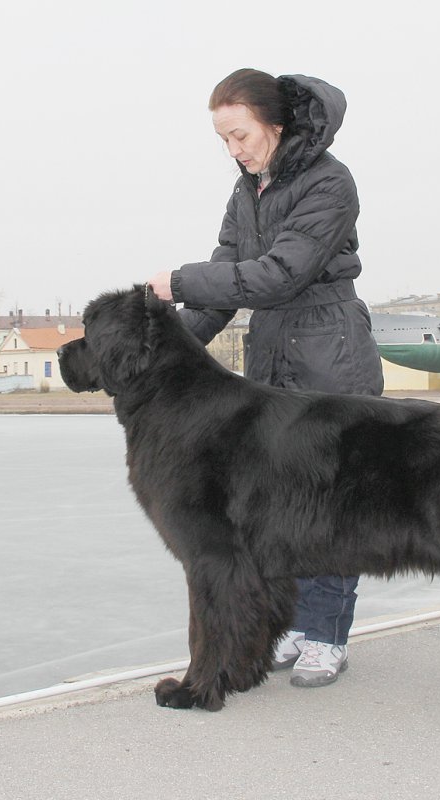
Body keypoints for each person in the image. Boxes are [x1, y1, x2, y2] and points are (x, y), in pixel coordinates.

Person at [147, 68, 384, 688]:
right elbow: (224, 279)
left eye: (240, 135)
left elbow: (280, 274)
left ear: (275, 125)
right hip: (272, 353)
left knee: (328, 502)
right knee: (277, 504)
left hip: (329, 351)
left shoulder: (331, 183)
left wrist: (177, 280)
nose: (235, 150)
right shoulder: (245, 191)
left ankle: (327, 635)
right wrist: (162, 344)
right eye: (224, 140)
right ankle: (291, 626)